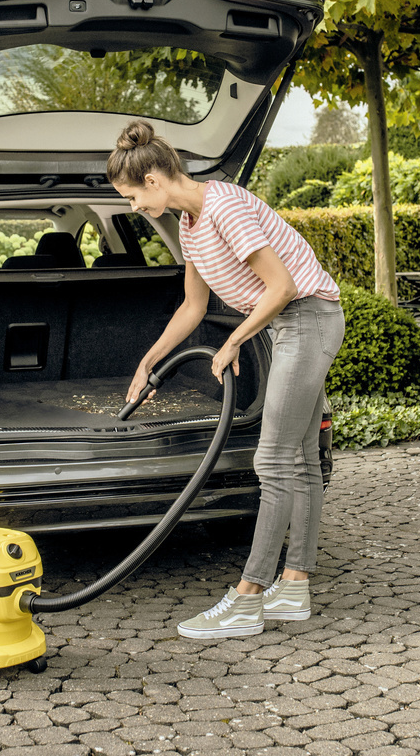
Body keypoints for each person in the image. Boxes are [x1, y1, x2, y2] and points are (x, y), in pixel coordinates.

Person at [108, 119, 345, 639]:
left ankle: (247, 598)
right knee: (301, 458)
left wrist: (235, 339)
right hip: (291, 323)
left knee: (274, 460)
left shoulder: (225, 207)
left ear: (153, 179)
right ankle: (295, 586)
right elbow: (193, 307)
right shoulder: (191, 226)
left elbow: (281, 286)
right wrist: (150, 360)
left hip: (307, 317)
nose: (133, 208)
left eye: (130, 197)